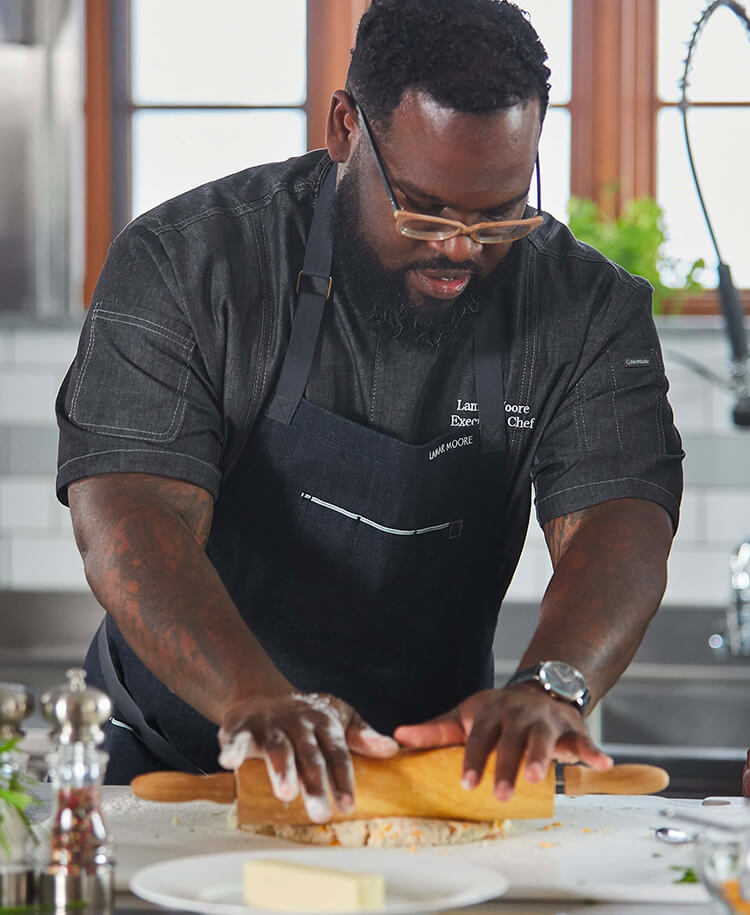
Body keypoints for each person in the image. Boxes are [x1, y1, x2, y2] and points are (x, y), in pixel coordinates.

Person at [56, 0, 682, 820]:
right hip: (166, 768)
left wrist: (551, 682)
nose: (459, 247)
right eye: (423, 209)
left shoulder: (587, 307)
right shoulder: (188, 261)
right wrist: (257, 701)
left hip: (419, 783)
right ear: (345, 128)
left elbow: (619, 517)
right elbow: (133, 515)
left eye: (498, 214)